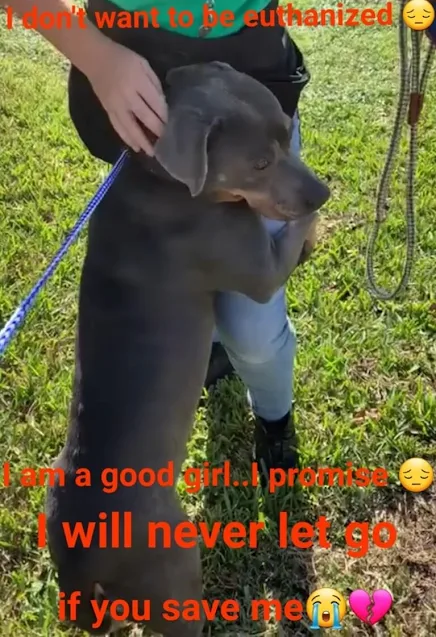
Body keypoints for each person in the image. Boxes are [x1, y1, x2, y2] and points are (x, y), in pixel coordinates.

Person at [4, 0, 311, 484]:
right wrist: (96, 55)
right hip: (145, 118)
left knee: (253, 329)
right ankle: (212, 347)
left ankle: (274, 418)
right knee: (178, 275)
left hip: (252, 98)